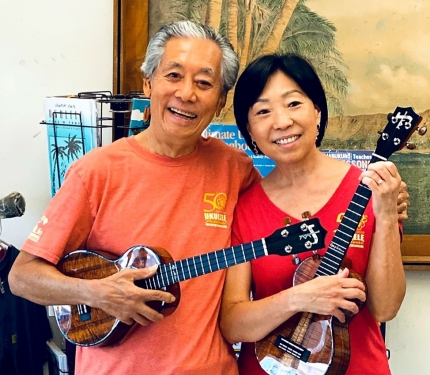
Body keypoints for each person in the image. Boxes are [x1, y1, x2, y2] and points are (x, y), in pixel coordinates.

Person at [8, 21, 261, 375]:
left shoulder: (235, 169)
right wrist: (97, 293)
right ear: (148, 82)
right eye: (173, 75)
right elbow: (23, 277)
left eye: (204, 83)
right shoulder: (96, 171)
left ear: (219, 102)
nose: (186, 93)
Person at [219, 53, 406, 375]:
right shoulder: (245, 208)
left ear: (317, 111)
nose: (281, 121)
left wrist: (387, 216)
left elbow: (385, 308)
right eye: (263, 111)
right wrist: (299, 298)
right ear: (249, 129)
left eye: (294, 104)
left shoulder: (370, 190)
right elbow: (233, 324)